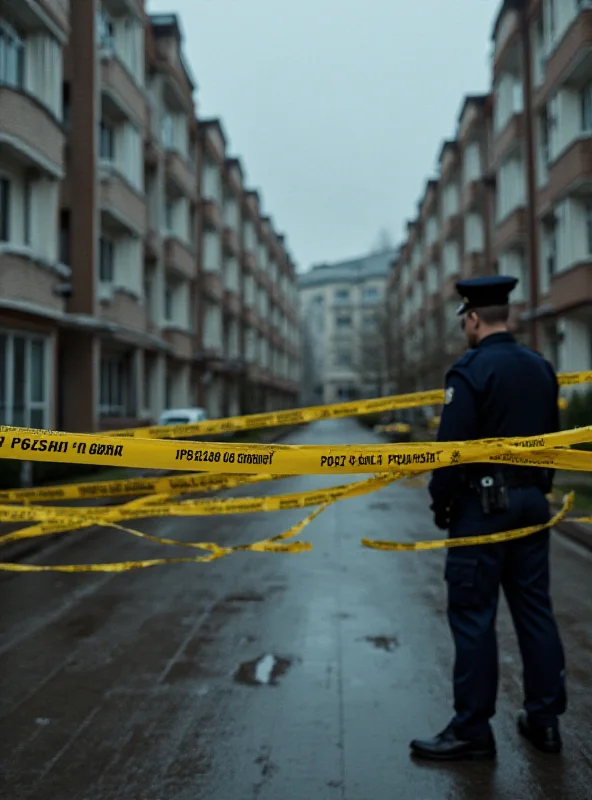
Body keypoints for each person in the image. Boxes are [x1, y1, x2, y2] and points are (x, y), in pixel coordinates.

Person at [409, 275, 567, 761]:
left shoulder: (470, 370)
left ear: (473, 318)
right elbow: (552, 439)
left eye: (464, 320)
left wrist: (441, 503)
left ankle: (472, 730)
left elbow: (452, 450)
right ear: (509, 315)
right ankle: (544, 723)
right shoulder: (541, 368)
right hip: (531, 505)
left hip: (481, 510)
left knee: (474, 616)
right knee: (535, 610)